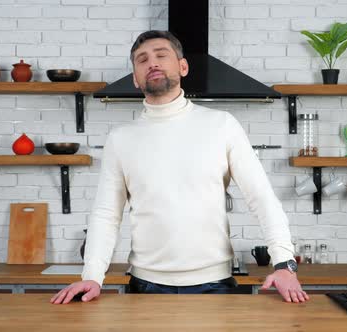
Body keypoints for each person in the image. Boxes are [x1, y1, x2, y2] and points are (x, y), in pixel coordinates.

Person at [51, 30, 309, 304]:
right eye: (142, 60)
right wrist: (92, 275)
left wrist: (284, 263)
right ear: (136, 79)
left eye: (161, 55)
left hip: (215, 286)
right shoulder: (120, 138)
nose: (152, 63)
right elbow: (106, 214)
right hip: (144, 287)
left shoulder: (223, 125)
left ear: (183, 67)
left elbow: (262, 199)